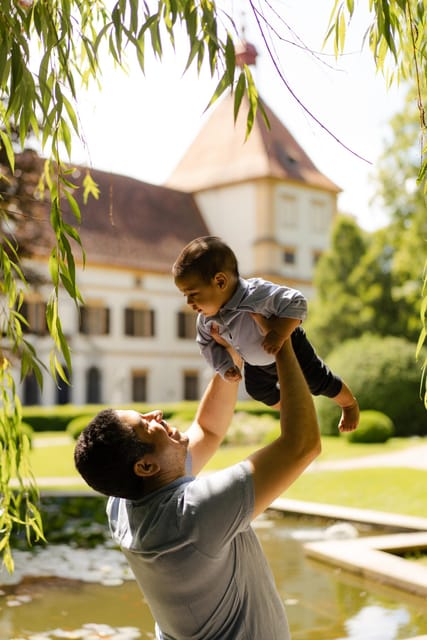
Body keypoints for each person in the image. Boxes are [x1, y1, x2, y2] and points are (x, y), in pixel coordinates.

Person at [74, 320, 321, 640]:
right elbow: (301, 445)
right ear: (145, 466)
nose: (157, 414)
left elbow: (209, 429)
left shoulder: (124, 505)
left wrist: (230, 357)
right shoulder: (193, 514)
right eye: (145, 424)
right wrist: (282, 342)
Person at [172, 235, 359, 433]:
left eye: (193, 294)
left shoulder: (257, 294)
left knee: (319, 381)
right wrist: (224, 366)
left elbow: (297, 302)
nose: (189, 303)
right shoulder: (206, 319)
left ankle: (349, 405)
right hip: (256, 362)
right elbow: (206, 344)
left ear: (220, 281)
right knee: (257, 389)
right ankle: (294, 411)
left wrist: (279, 333)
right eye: (185, 296)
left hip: (290, 347)